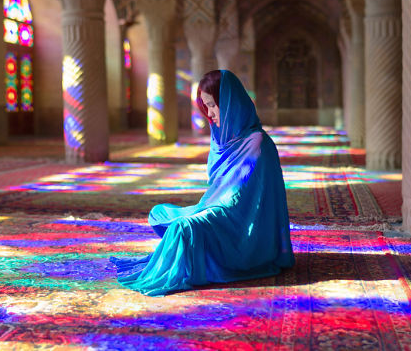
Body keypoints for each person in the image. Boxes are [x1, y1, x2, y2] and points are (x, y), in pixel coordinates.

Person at [111, 70, 294, 296]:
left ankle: (206, 258)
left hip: (243, 227)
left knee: (182, 229)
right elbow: (217, 189)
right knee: (159, 213)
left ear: (230, 103)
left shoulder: (257, 143)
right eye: (205, 106)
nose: (209, 113)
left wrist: (204, 216)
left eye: (214, 105)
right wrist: (202, 211)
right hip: (219, 209)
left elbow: (242, 202)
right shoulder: (222, 138)